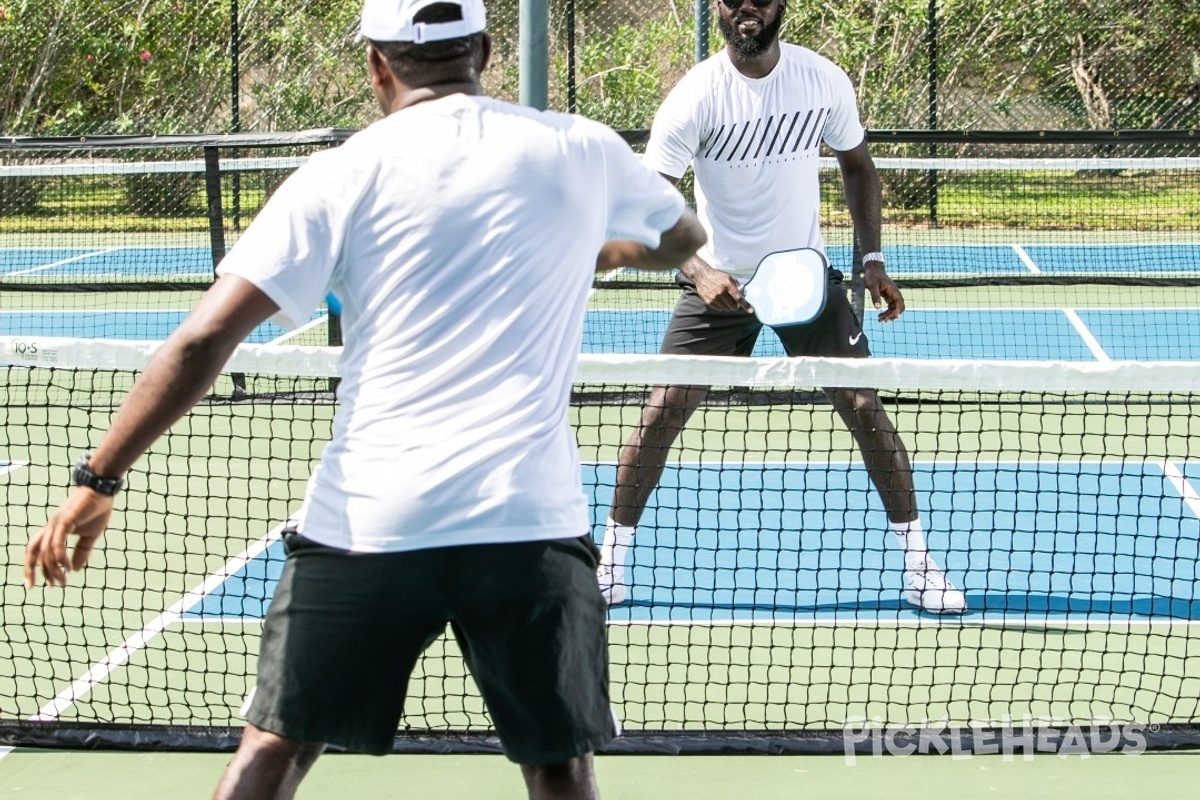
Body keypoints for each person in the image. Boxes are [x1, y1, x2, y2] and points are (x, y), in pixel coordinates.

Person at [22, 1, 706, 797]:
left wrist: (97, 480)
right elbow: (682, 239)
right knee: (558, 768)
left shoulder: (339, 172)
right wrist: (590, 249)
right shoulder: (581, 148)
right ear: (485, 50)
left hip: (368, 522)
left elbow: (201, 343)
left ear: (378, 66)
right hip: (530, 524)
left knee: (269, 755)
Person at [596, 0, 966, 614]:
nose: (747, 6)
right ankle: (611, 561)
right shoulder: (696, 96)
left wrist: (872, 260)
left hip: (803, 279)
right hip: (721, 284)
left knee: (863, 405)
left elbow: (858, 166)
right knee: (664, 409)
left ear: (780, 7)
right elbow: (648, 194)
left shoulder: (822, 79)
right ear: (717, 8)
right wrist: (698, 268)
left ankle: (919, 565)